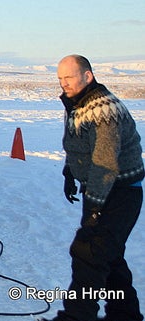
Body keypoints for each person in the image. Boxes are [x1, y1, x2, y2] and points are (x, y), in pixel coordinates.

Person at [40, 55, 144, 321]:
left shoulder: (103, 109)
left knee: (88, 252)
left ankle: (77, 316)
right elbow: (77, 145)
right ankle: (126, 315)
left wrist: (96, 206)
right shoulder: (78, 104)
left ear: (88, 76)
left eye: (69, 77)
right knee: (109, 256)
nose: (64, 83)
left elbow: (105, 163)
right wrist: (69, 172)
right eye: (60, 78)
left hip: (120, 191)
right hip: (101, 189)